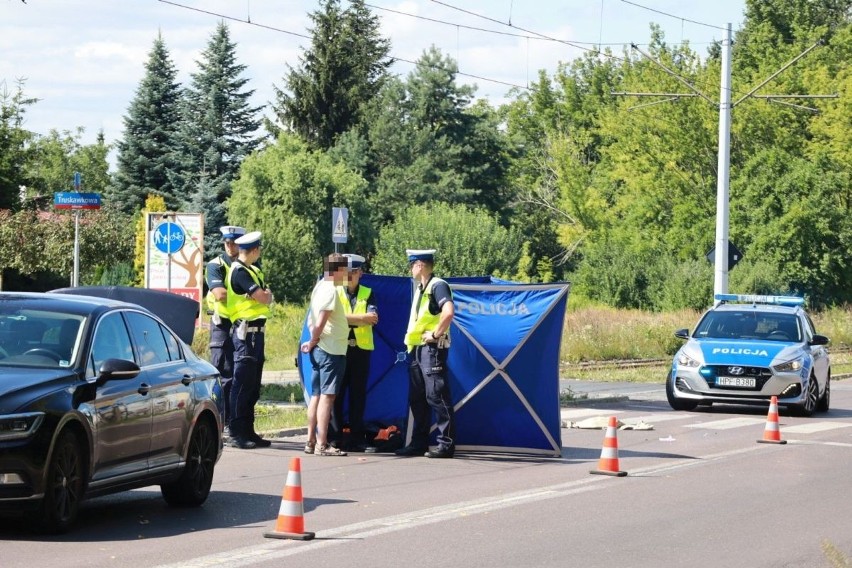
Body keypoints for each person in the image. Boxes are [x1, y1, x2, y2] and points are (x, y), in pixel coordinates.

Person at [395, 249, 456, 459]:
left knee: (436, 396)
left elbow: (448, 312)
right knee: (418, 398)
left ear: (419, 265)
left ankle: (446, 445)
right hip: (417, 350)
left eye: (411, 265)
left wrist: (436, 334)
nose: (410, 269)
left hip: (432, 350)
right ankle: (418, 443)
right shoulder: (422, 288)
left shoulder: (437, 285)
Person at [227, 231, 274, 449]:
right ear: (254, 250)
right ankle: (237, 432)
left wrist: (264, 296)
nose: (260, 252)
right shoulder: (239, 272)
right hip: (245, 334)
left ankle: (249, 430)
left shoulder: (253, 271)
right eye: (259, 249)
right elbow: (264, 297)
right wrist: (264, 297)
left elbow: (265, 296)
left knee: (253, 386)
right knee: (242, 384)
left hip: (257, 333)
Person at [300, 253, 350, 457]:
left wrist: (313, 342)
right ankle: (322, 443)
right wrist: (313, 339)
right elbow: (320, 321)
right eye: (345, 270)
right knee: (327, 398)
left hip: (321, 349)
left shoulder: (319, 286)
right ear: (338, 270)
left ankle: (310, 441)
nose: (346, 274)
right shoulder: (330, 289)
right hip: (330, 349)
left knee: (316, 396)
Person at [331, 253, 378, 452]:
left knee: (358, 395)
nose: (350, 276)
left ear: (360, 273)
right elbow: (334, 318)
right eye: (347, 272)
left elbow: (373, 318)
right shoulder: (335, 291)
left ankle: (357, 437)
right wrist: (360, 318)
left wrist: (345, 318)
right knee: (336, 394)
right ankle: (335, 437)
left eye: (354, 272)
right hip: (340, 349)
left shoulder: (368, 292)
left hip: (361, 350)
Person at [204, 225, 245, 434]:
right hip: (222, 325)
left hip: (242, 324)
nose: (230, 246)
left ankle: (234, 423)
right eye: (227, 242)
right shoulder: (216, 265)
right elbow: (219, 294)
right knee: (223, 373)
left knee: (241, 375)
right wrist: (248, 295)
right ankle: (220, 421)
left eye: (234, 242)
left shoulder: (247, 265)